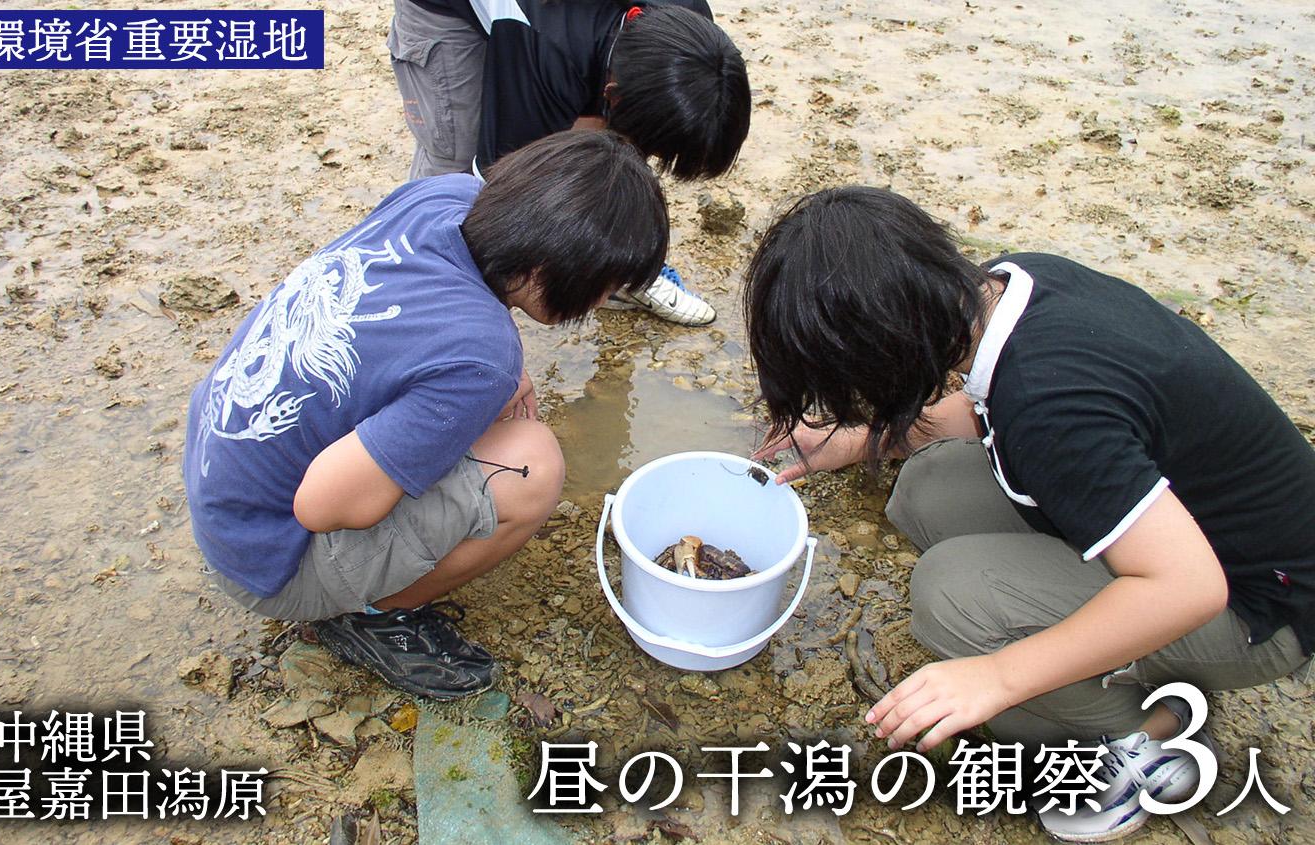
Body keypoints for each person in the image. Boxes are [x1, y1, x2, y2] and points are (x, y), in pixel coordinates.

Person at [747, 187, 1314, 841]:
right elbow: (987, 406)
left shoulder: (1048, 403)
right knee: (927, 490)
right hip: (1184, 524)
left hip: (1259, 607)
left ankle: (1151, 734)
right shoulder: (1007, 286)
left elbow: (1192, 585)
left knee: (954, 599)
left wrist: (995, 676)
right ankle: (1132, 650)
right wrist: (863, 437)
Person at [182, 130, 668, 699]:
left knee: (487, 412)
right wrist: (466, 409)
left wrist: (483, 390)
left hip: (221, 479)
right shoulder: (482, 354)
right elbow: (325, 506)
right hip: (269, 560)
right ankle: (373, 616)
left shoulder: (444, 196)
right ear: (551, 269)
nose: (598, 305)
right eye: (602, 288)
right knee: (532, 467)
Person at [388, 0, 751, 326]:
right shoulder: (546, 54)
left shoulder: (689, 21)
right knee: (454, 168)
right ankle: (408, 297)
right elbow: (493, 204)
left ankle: (615, 268)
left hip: (562, 36)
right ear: (612, 95)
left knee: (606, 144)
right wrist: (490, 347)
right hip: (449, 13)